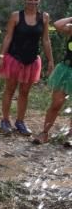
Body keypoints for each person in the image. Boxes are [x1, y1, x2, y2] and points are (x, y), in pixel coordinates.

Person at [0, 0, 54, 136]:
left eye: (36, 0)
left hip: (32, 60)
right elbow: (8, 37)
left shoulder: (44, 17)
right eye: (30, 0)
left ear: (39, 0)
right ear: (25, 0)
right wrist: (1, 57)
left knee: (24, 92)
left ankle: (20, 121)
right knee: (9, 89)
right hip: (14, 58)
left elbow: (46, 40)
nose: (33, 3)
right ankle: (5, 120)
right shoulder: (16, 16)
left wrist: (50, 61)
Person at [34, 15, 72, 147]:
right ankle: (44, 133)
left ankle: (71, 136)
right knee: (56, 103)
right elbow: (57, 25)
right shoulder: (71, 29)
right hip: (66, 70)